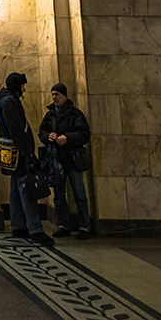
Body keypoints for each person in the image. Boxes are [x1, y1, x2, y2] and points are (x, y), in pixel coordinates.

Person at [0, 72, 51, 245]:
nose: (24, 89)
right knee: (26, 189)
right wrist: (28, 154)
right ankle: (35, 229)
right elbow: (17, 131)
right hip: (18, 153)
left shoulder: (4, 100)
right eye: (23, 86)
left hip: (10, 152)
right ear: (16, 86)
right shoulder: (9, 102)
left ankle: (18, 225)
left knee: (16, 189)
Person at [39, 83, 94, 238]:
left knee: (79, 192)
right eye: (53, 94)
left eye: (57, 94)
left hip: (72, 158)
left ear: (65, 96)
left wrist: (67, 138)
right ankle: (63, 224)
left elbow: (84, 134)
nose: (55, 97)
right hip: (56, 159)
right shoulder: (50, 115)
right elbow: (42, 130)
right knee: (58, 194)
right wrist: (47, 136)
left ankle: (84, 226)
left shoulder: (76, 114)